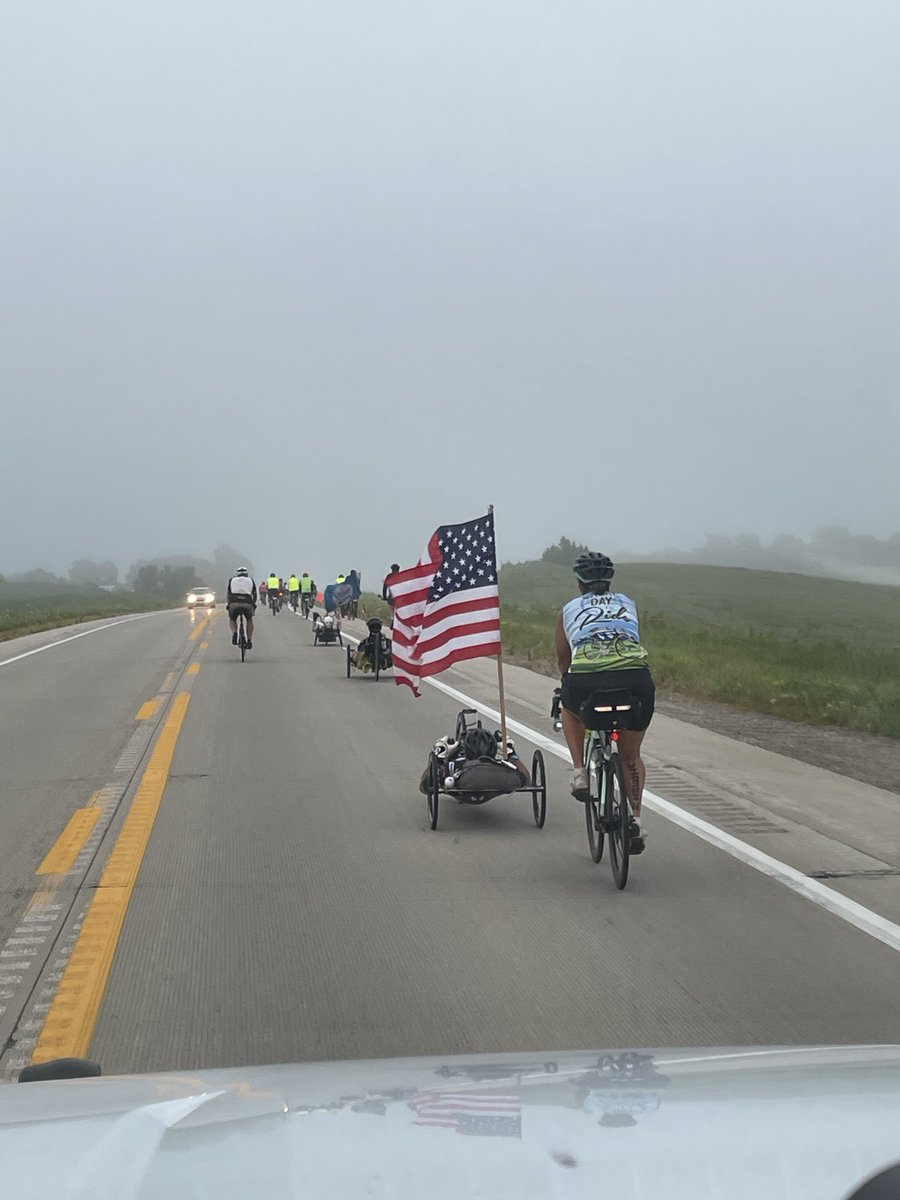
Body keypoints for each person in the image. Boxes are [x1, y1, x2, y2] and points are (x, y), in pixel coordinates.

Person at [554, 552, 654, 848]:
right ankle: (635, 820)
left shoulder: (568, 610)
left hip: (587, 682)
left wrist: (566, 686)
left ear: (579, 582)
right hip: (635, 680)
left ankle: (579, 772)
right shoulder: (628, 604)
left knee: (568, 707)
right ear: (610, 580)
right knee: (630, 756)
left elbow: (564, 660)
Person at [226, 567, 257, 649]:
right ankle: (249, 640)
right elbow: (254, 594)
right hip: (247, 602)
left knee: (232, 619)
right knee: (249, 619)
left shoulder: (232, 580)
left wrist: (229, 604)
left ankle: (234, 633)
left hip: (234, 602)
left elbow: (228, 594)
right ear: (247, 574)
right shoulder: (250, 580)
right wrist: (253, 604)